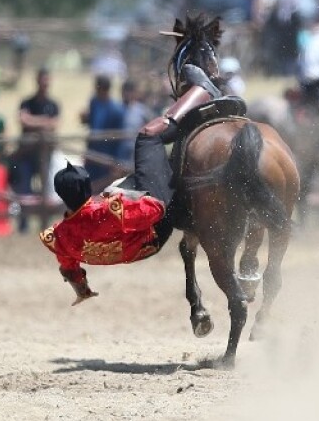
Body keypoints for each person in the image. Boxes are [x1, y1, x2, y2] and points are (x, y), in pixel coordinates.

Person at [42, 62, 232, 303]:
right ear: (86, 186)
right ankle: (204, 92)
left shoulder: (61, 235)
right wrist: (128, 195)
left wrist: (82, 289)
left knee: (137, 175)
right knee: (147, 137)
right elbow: (155, 210)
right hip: (155, 229)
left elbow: (68, 265)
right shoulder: (106, 211)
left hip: (141, 251)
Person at [11, 68, 60, 232]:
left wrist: (35, 122)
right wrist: (43, 122)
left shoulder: (53, 105)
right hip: (26, 155)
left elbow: (54, 124)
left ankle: (46, 227)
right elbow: (23, 120)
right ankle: (23, 226)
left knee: (46, 191)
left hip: (44, 156)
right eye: (42, 80)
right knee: (24, 189)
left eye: (47, 80)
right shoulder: (27, 102)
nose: (44, 84)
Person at [81, 74, 126, 183]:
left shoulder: (117, 110)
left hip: (107, 158)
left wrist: (117, 162)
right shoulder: (94, 103)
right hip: (92, 156)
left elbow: (120, 138)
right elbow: (93, 127)